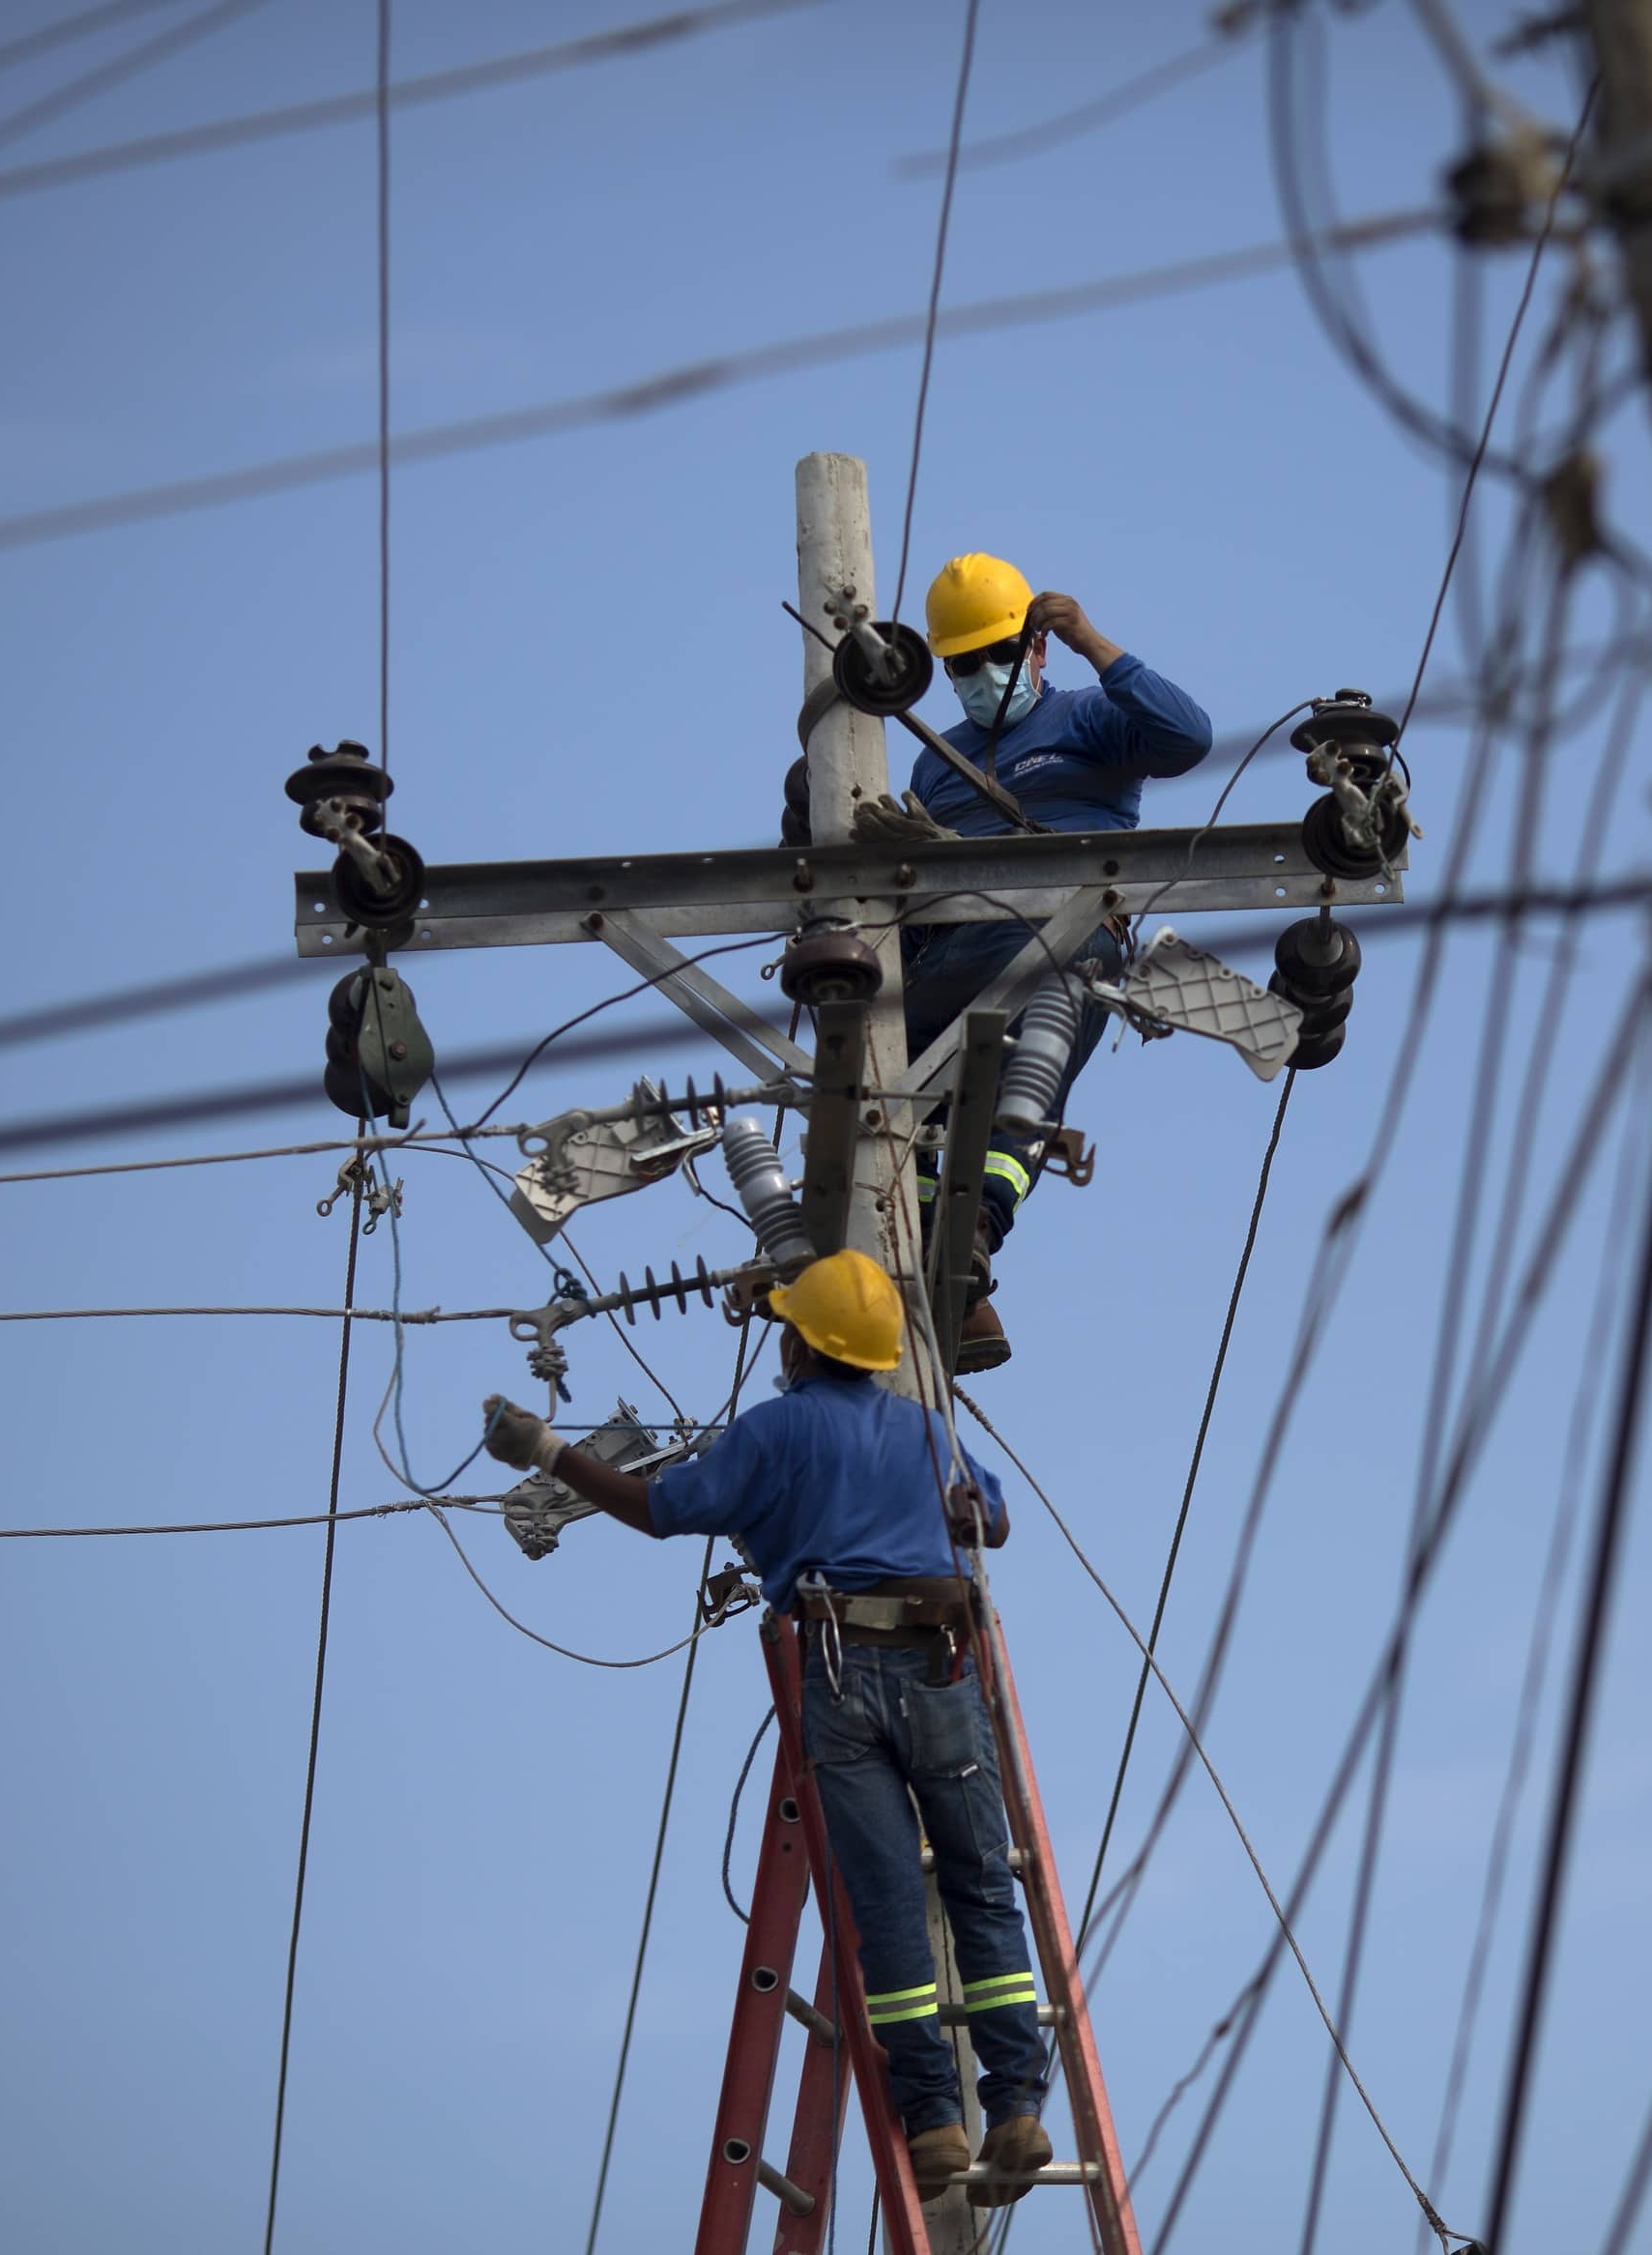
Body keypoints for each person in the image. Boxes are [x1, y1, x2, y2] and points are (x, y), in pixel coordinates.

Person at [478, 1249, 1054, 2209]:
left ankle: (935, 2125)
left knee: (886, 1908)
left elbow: (660, 1508)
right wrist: (951, 1509)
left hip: (838, 1667)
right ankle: (1020, 2108)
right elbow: (990, 1518)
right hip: (940, 1662)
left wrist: (544, 1448)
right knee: (980, 1886)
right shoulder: (924, 1429)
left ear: (796, 1341)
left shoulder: (774, 1431)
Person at [899, 552, 1216, 1373]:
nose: (978, 675)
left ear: (1033, 649)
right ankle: (917, 1265)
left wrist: (1088, 638)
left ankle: (973, 1234)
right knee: (877, 1082)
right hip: (955, 952)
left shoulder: (1084, 718)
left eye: (995, 655)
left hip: (1067, 933)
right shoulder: (937, 761)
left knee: (1044, 1019)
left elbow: (1188, 737)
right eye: (960, 663)